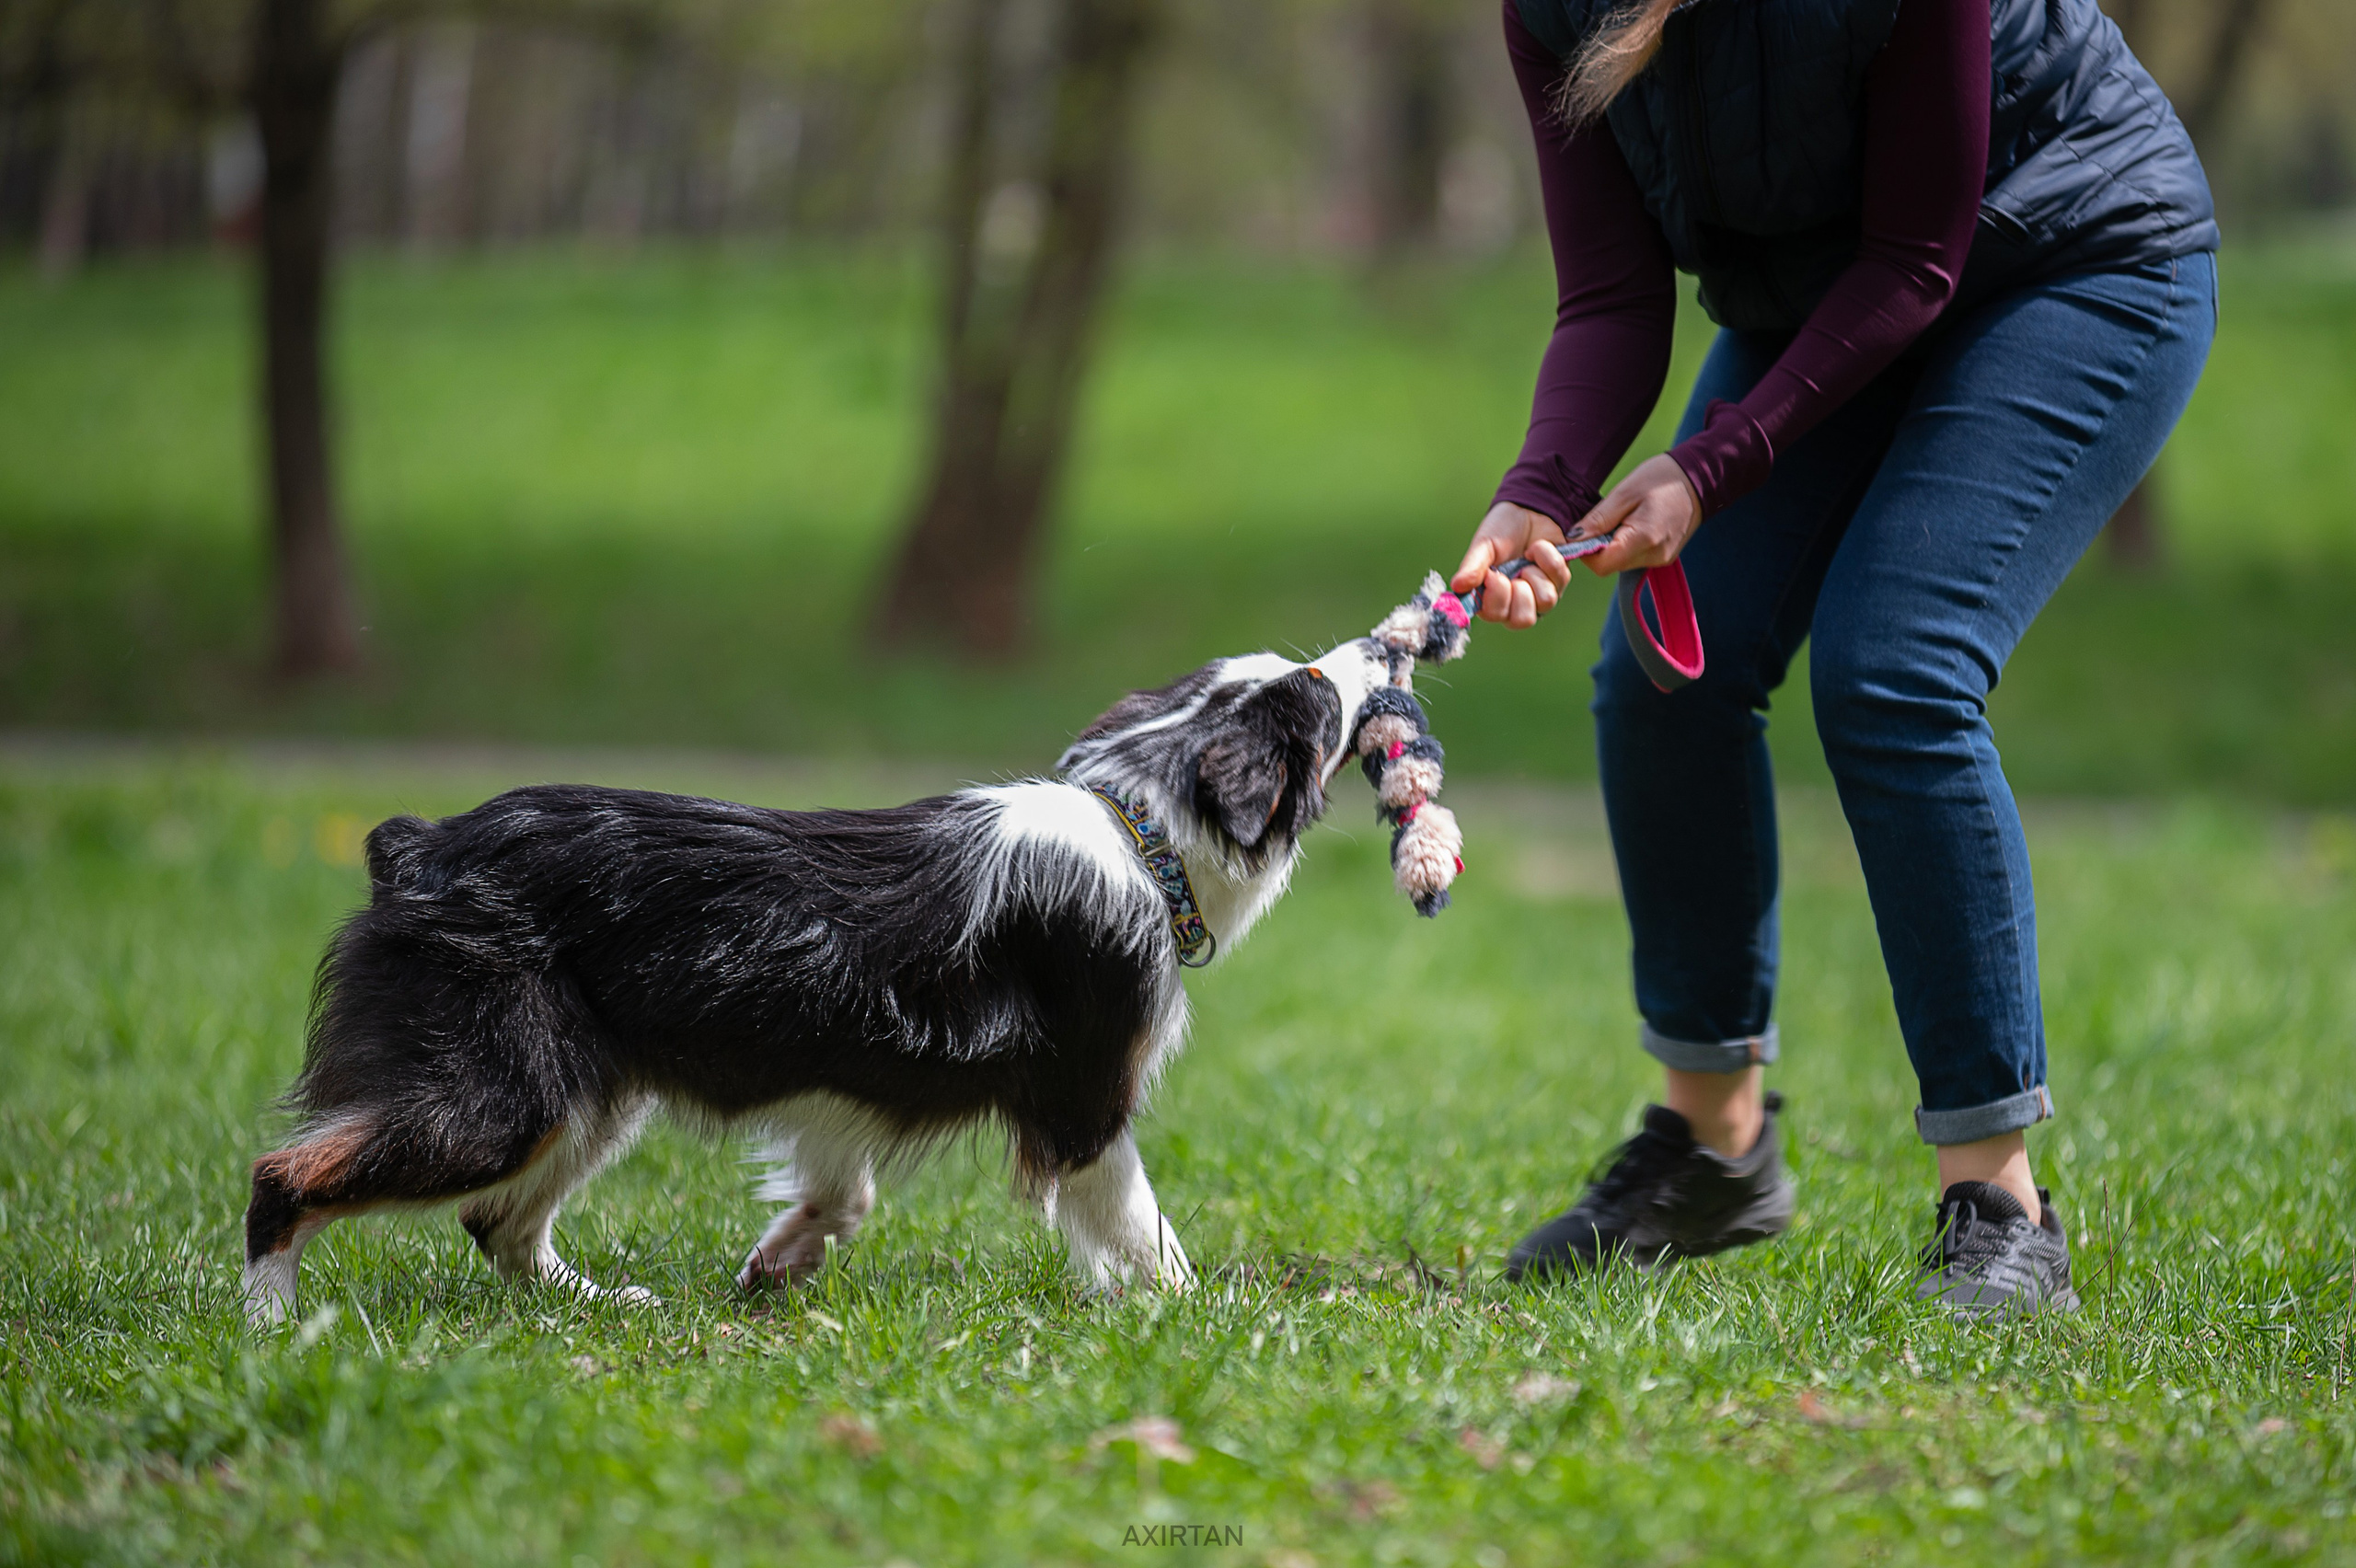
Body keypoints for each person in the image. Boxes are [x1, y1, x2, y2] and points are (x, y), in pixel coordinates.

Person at [1456, 0, 2216, 1313]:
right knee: (1663, 674)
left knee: (1896, 665)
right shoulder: (1554, 10)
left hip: (2073, 262)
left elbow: (1919, 259)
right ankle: (1714, 1148)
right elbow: (1613, 294)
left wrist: (1708, 467)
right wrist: (1541, 483)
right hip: (1828, 300)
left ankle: (2001, 1206)